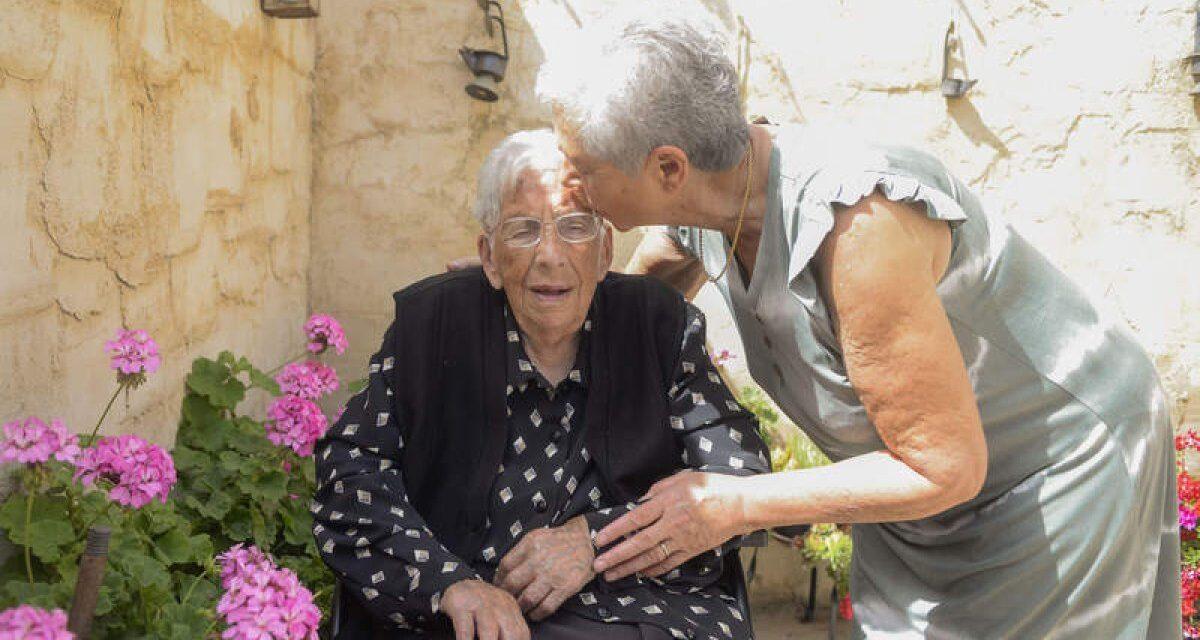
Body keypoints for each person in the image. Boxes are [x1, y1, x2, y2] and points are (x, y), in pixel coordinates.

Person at [529, 13, 1181, 639]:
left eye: (581, 167)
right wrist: (514, 294)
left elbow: (943, 468)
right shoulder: (703, 210)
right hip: (921, 496)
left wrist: (732, 503)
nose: (572, 185)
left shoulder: (857, 227)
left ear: (668, 168)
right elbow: (622, 317)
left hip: (1054, 471)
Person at [312, 129, 770, 640]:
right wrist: (449, 585)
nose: (551, 256)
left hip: (636, 611)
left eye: (575, 227)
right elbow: (350, 473)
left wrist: (596, 542)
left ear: (603, 251)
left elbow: (737, 474)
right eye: (524, 230)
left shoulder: (660, 325)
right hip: (470, 616)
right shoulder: (433, 326)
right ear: (489, 256)